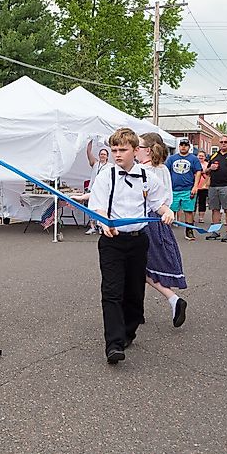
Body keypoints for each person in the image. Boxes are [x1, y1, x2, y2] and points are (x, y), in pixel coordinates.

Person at [88, 128, 174, 365]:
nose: (117, 154)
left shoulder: (149, 177)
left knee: (134, 292)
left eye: (122, 150)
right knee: (111, 291)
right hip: (112, 241)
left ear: (135, 151)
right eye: (114, 149)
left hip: (138, 240)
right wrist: (104, 222)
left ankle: (129, 331)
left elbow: (159, 204)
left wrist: (167, 212)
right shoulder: (106, 175)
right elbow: (98, 205)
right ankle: (113, 345)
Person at [137, 132, 188, 327]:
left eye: (138, 147)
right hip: (161, 221)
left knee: (139, 267)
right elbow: (168, 198)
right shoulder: (164, 170)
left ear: (148, 150)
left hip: (145, 222)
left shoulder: (141, 170)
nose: (135, 150)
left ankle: (172, 298)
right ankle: (138, 310)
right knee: (142, 267)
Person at [164, 138, 202, 241]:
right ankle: (166, 232)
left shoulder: (193, 159)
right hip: (173, 189)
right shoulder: (172, 158)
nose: (183, 147)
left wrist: (195, 186)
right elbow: (166, 171)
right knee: (170, 210)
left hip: (188, 189)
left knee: (188, 211)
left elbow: (198, 172)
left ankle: (189, 231)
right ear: (179, 146)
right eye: (181, 145)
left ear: (189, 147)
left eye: (185, 145)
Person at [85, 144, 110, 235]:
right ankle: (92, 227)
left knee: (101, 208)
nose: (102, 156)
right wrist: (90, 141)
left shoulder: (110, 166)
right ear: (99, 155)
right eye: (101, 154)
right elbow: (88, 152)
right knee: (91, 208)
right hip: (92, 189)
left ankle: (101, 226)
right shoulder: (95, 163)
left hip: (103, 190)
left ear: (107, 156)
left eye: (104, 154)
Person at [195, 150, 210, 223]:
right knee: (193, 202)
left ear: (205, 157)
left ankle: (201, 218)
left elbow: (209, 175)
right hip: (194, 186)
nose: (200, 157)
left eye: (202, 156)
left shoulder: (207, 165)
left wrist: (206, 184)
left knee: (202, 202)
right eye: (199, 156)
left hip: (204, 186)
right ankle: (192, 217)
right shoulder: (194, 163)